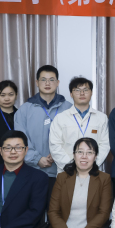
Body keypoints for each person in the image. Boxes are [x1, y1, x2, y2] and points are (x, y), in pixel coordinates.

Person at [45, 137, 112, 228]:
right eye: (80, 152)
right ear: (74, 155)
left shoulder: (104, 179)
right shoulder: (62, 178)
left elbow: (104, 213)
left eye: (89, 152)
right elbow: (53, 211)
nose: (84, 156)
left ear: (95, 156)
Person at [14, 65, 72, 201]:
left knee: (58, 211)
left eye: (51, 80)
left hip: (61, 171)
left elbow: (74, 138)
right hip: (32, 170)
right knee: (34, 211)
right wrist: (37, 159)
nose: (47, 83)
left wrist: (58, 155)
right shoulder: (25, 110)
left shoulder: (69, 108)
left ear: (58, 83)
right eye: (43, 80)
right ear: (36, 82)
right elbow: (19, 139)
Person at [49, 77, 110, 174]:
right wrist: (70, 165)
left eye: (86, 90)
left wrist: (92, 165)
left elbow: (105, 145)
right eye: (77, 90)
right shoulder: (60, 118)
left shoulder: (102, 118)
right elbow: (55, 145)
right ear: (71, 94)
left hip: (93, 172)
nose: (82, 93)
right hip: (67, 172)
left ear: (91, 92)